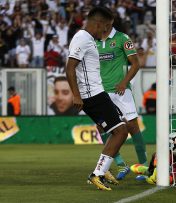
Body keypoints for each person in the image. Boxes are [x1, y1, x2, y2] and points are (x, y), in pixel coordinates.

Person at [65, 7, 128, 191]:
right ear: (99, 23)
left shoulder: (89, 39)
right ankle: (97, 174)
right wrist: (76, 95)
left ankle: (103, 170)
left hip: (97, 93)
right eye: (106, 27)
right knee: (121, 131)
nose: (106, 31)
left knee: (117, 129)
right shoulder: (82, 38)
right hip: (92, 95)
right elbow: (70, 68)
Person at [95, 7, 147, 180]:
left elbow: (136, 63)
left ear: (109, 22)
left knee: (132, 127)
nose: (98, 24)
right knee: (103, 127)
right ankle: (121, 165)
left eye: (101, 21)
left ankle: (144, 166)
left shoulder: (122, 39)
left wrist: (124, 82)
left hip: (120, 92)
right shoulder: (93, 41)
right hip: (101, 92)